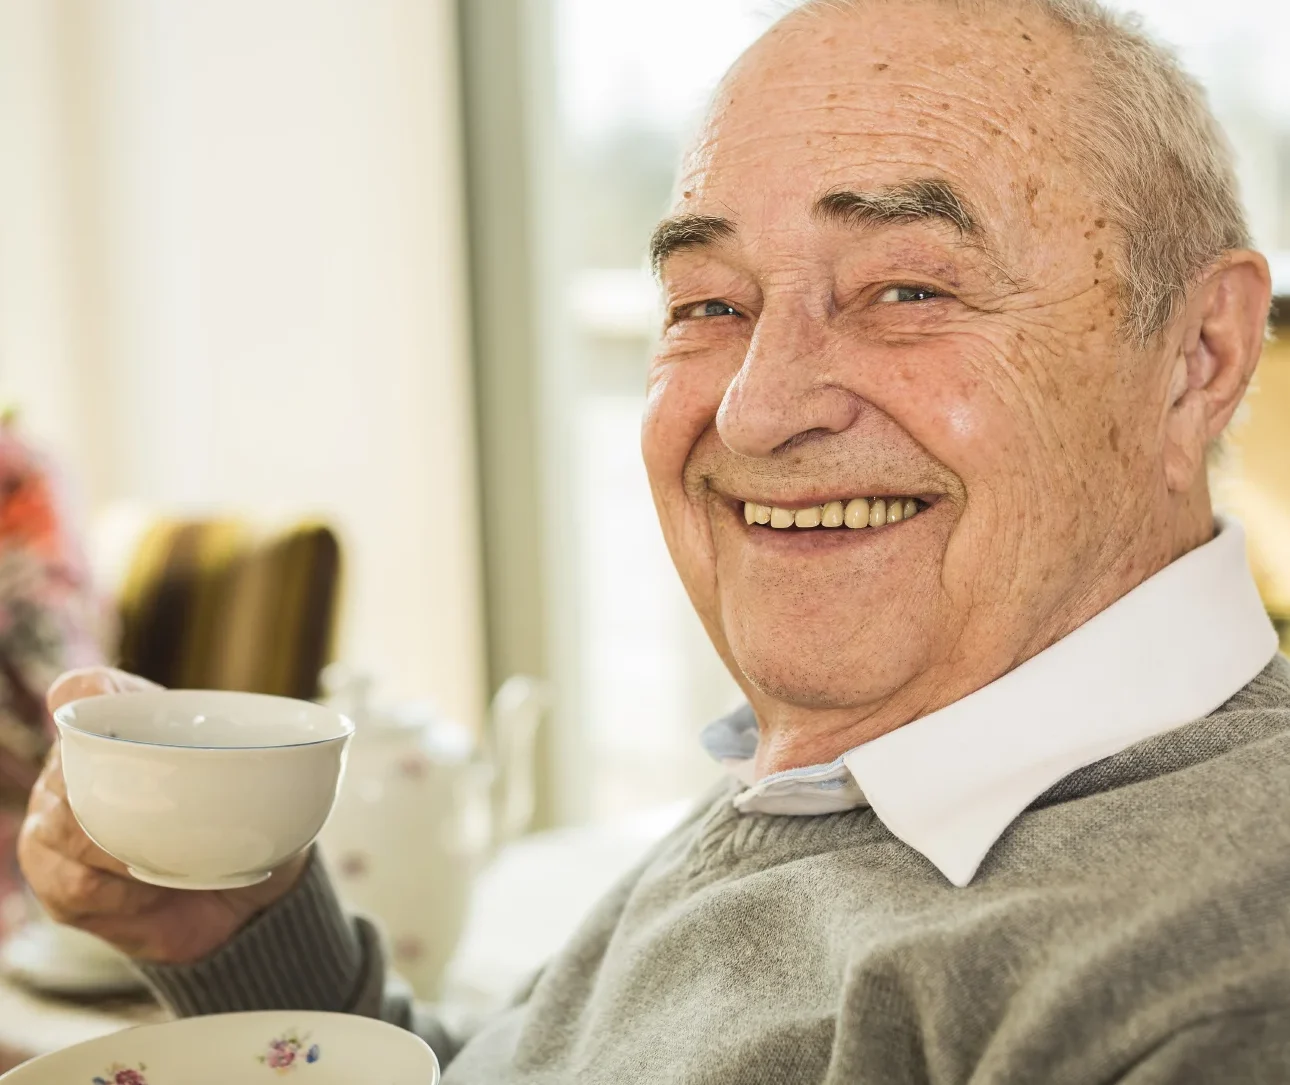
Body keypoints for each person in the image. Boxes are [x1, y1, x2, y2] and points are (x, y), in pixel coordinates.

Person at [18, 0, 1290, 1080]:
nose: (757, 405)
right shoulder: (875, 758)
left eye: (909, 288)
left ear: (1201, 358)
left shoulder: (1215, 982)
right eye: (708, 303)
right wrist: (239, 933)